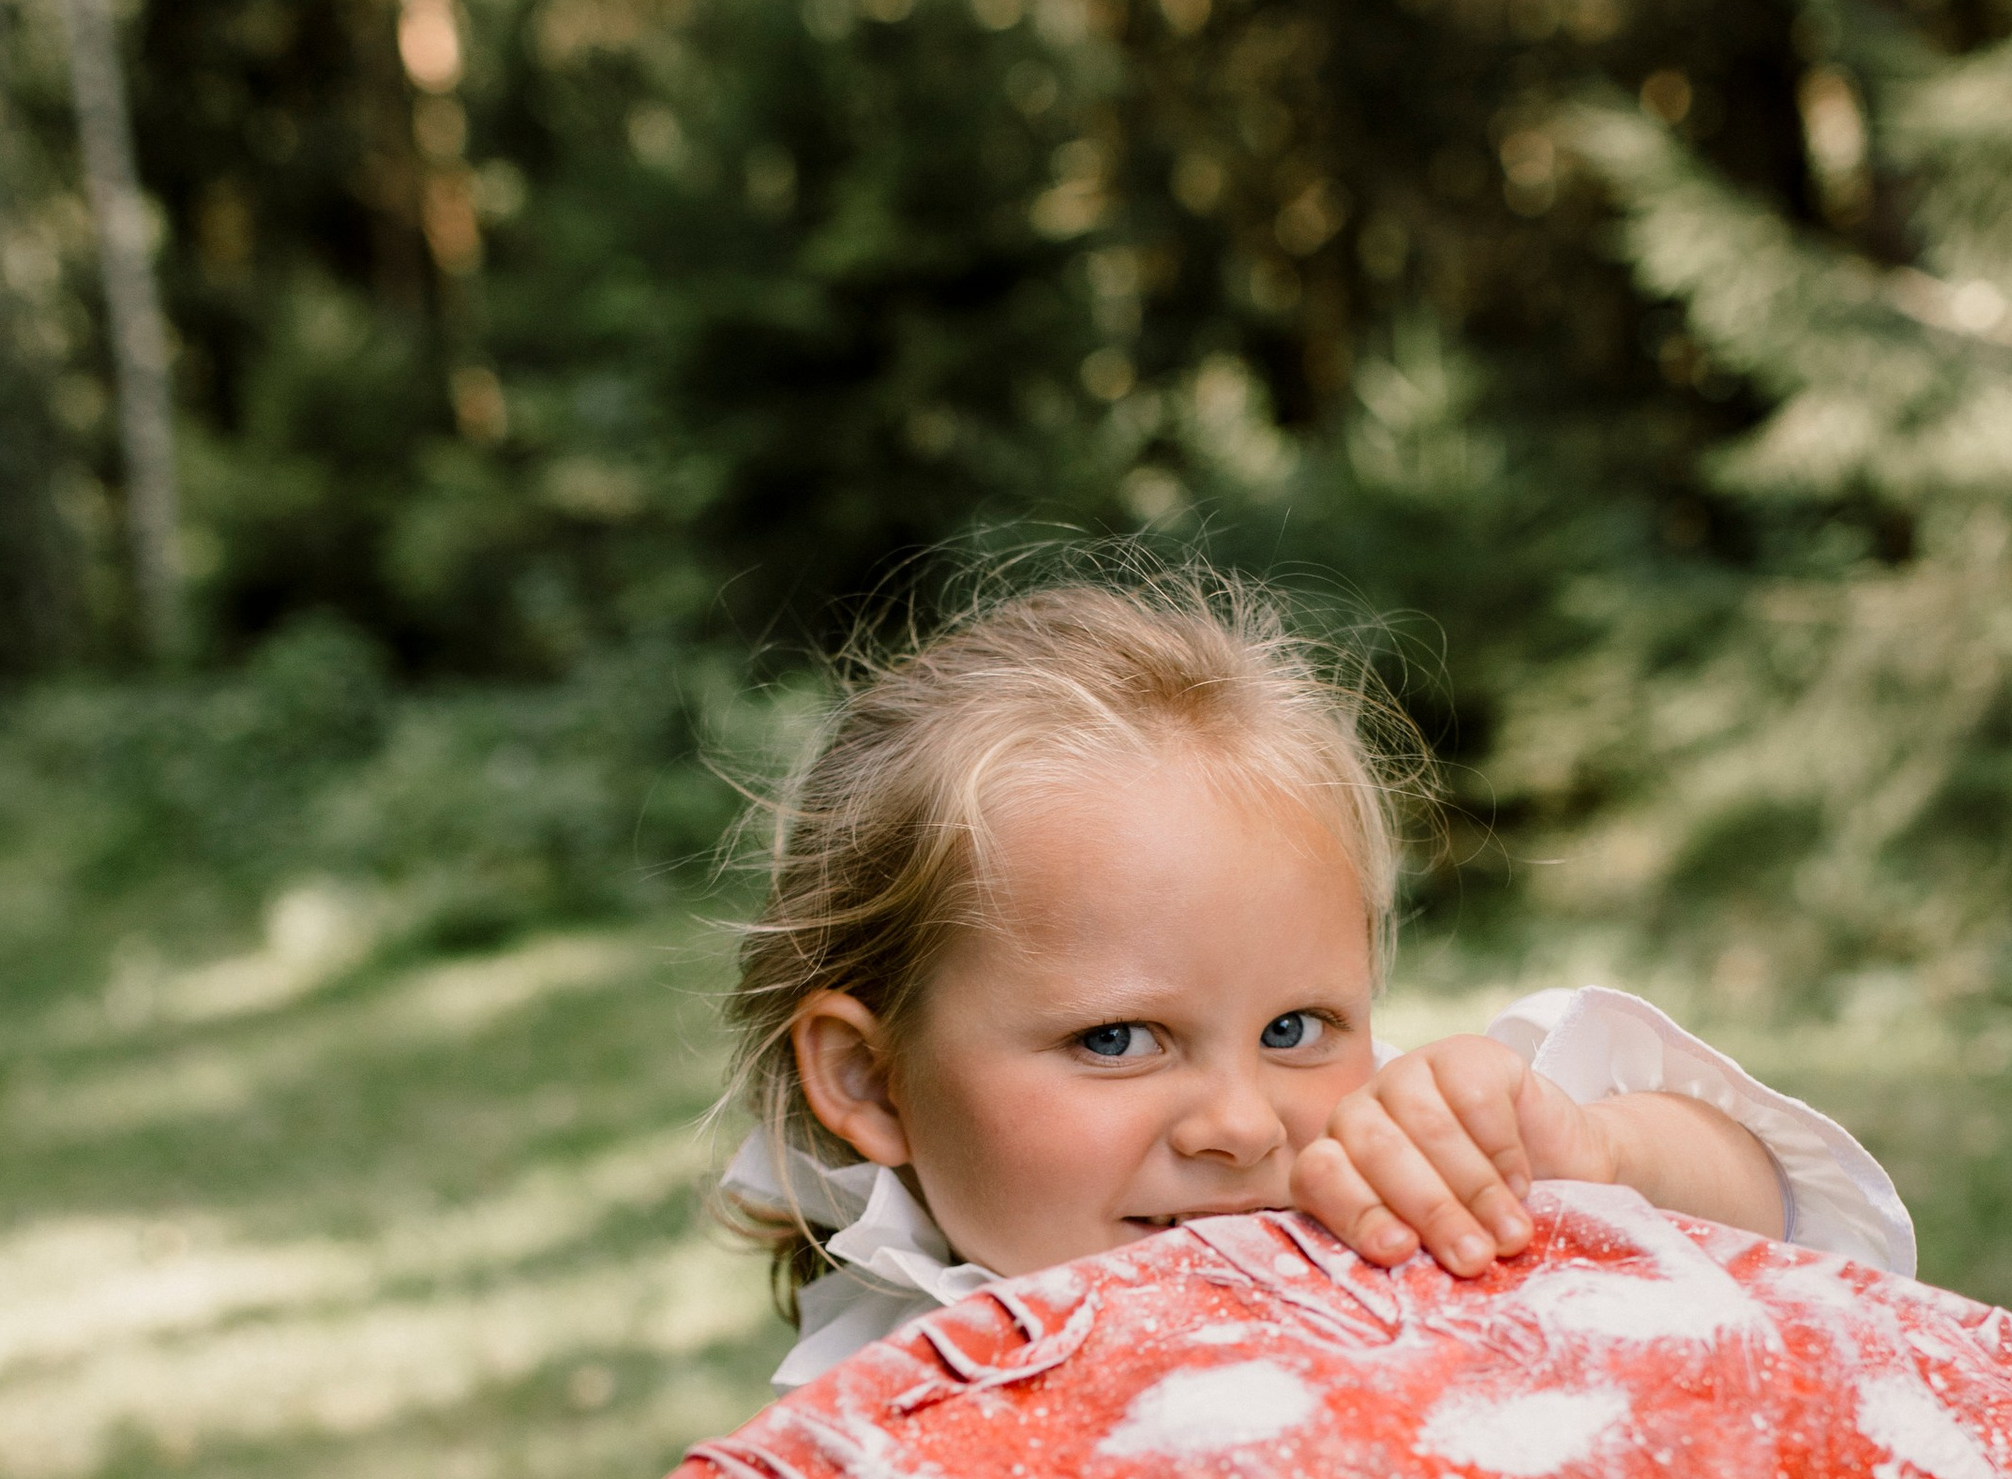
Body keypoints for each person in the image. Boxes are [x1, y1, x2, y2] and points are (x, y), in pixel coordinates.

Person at [717, 572, 1911, 1386]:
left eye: (1295, 1026)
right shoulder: (868, 1423)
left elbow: (1810, 1239)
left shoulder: (1392, 1199)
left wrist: (1599, 1163)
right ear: (871, 1080)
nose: (1242, 1126)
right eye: (1118, 1041)